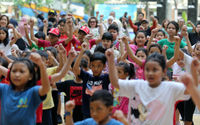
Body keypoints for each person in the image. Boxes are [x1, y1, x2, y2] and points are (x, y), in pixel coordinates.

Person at [106, 49, 192, 125]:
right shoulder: (136, 85)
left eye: (155, 70)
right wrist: (110, 61)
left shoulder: (171, 88)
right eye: (147, 69)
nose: (150, 73)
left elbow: (191, 89)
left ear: (164, 71)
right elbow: (115, 83)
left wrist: (193, 72)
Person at [0, 52, 50, 125]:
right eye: (14, 71)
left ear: (30, 76)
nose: (17, 75)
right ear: (9, 74)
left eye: (22, 72)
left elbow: (46, 88)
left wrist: (41, 65)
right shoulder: (4, 89)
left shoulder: (33, 91)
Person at [73, 42, 110, 118]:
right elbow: (75, 68)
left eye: (99, 66)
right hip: (87, 111)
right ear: (90, 65)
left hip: (102, 112)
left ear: (104, 66)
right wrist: (81, 52)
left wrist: (110, 58)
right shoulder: (86, 76)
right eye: (93, 66)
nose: (95, 69)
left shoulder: (106, 77)